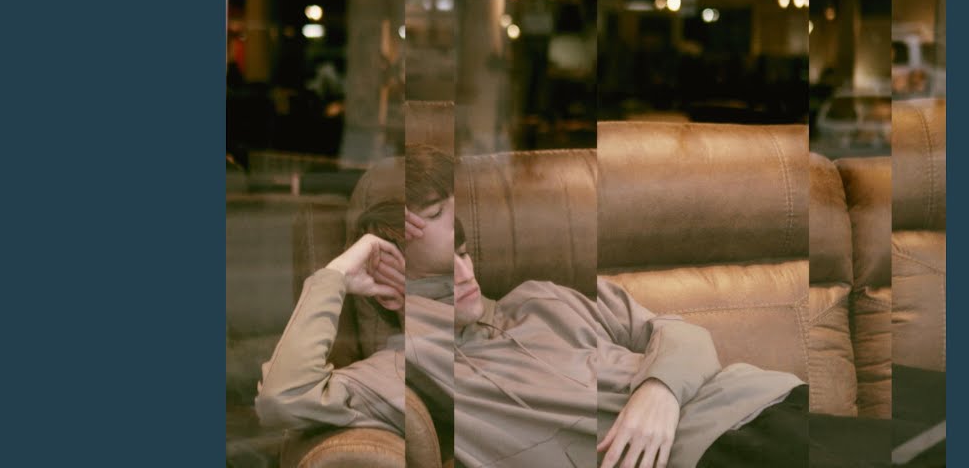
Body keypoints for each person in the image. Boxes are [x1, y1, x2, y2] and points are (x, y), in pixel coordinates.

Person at [258, 144, 807, 468]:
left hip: (767, 401)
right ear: (390, 289)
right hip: (705, 456)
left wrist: (658, 391)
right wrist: (334, 277)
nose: (464, 275)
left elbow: (682, 332)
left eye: (463, 253)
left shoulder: (543, 297)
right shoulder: (401, 372)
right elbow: (284, 398)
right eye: (439, 272)